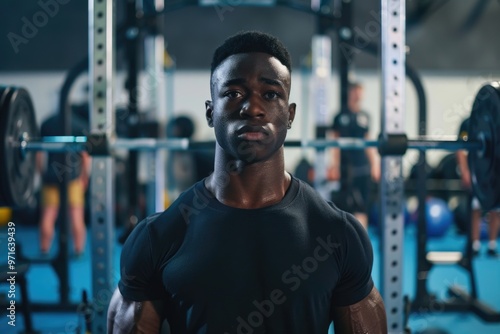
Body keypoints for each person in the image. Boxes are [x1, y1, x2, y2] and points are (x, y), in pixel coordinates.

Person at [107, 31, 387, 333]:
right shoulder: (157, 237)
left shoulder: (338, 234)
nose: (252, 108)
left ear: (289, 115)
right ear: (211, 112)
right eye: (234, 93)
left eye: (270, 94)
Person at [327, 82, 380, 229]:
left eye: (360, 92)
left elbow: (368, 142)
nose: (358, 96)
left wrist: (375, 165)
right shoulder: (339, 116)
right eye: (355, 92)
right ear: (350, 93)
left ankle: (363, 241)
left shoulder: (365, 116)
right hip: (346, 168)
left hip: (363, 167)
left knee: (362, 206)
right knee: (344, 206)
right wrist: (335, 166)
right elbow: (334, 144)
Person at [37, 112, 91, 256]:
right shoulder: (79, 124)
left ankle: (44, 250)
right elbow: (85, 156)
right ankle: (79, 250)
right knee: (76, 216)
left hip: (51, 177)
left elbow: (38, 153)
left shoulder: (47, 123)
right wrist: (85, 176)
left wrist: (42, 174)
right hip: (72, 178)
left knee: (48, 216)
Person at [456, 117, 499, 257]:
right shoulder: (469, 123)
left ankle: (492, 245)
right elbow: (460, 148)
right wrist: (465, 171)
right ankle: (475, 245)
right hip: (478, 171)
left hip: (495, 172)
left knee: (496, 209)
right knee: (475, 207)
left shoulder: (496, 120)